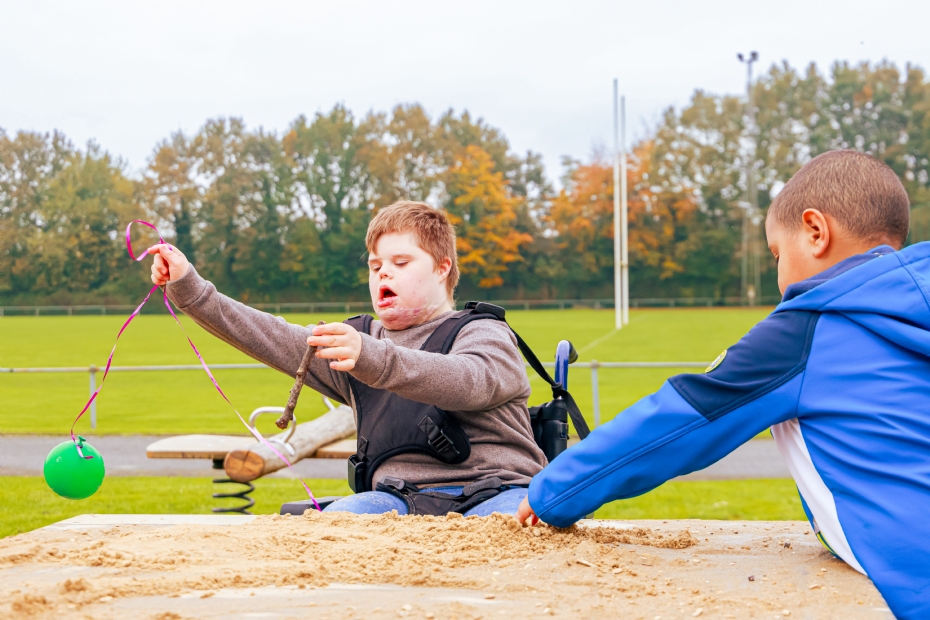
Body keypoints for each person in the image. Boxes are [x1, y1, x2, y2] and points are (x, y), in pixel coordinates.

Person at [516, 150, 928, 619]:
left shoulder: (808, 327)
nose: (779, 275)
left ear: (815, 232)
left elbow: (679, 422)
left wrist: (553, 491)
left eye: (777, 254)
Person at [150, 201, 546, 517]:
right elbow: (270, 335)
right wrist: (190, 288)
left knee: (519, 535)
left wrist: (371, 357)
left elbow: (468, 382)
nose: (382, 275)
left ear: (443, 268)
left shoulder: (484, 332)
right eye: (375, 266)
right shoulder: (359, 341)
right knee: (324, 532)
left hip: (497, 490)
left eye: (400, 263)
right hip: (393, 501)